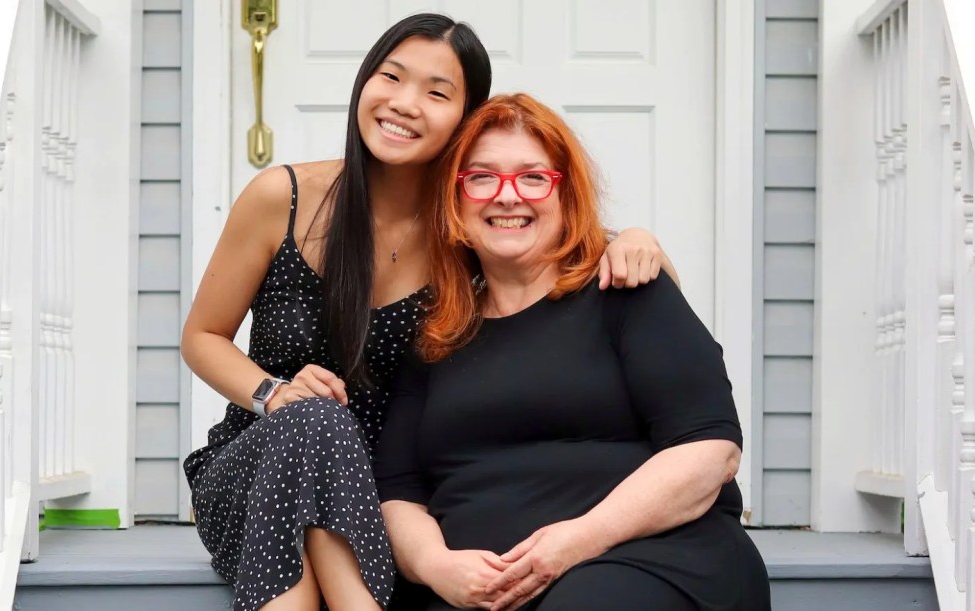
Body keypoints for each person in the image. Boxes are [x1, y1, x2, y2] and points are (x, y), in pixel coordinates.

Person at [181, 14, 677, 611]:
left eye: (437, 92)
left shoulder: (471, 228)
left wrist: (638, 240)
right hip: (258, 472)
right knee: (314, 421)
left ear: (467, 120)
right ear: (364, 84)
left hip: (391, 499)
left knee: (324, 438)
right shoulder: (281, 199)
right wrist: (274, 394)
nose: (404, 103)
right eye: (391, 77)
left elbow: (582, 249)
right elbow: (203, 336)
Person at [374, 92, 771, 611]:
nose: (507, 195)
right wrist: (436, 566)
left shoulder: (626, 290)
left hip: (647, 559)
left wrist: (574, 542)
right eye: (482, 177)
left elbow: (709, 452)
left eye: (533, 177)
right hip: (481, 591)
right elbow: (399, 490)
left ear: (567, 195)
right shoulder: (434, 334)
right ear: (455, 199)